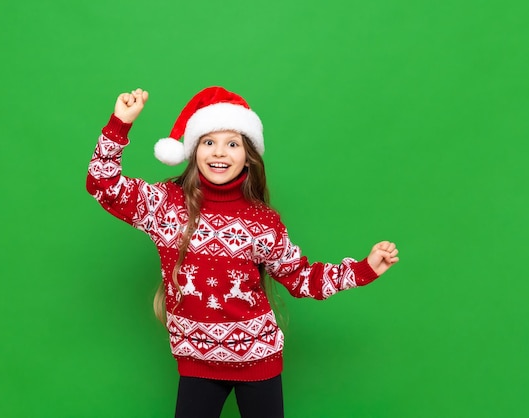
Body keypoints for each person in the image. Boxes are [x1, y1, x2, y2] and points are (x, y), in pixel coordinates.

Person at [86, 86, 399, 418]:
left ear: (248, 155)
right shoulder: (165, 206)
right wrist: (120, 124)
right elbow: (102, 185)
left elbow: (300, 277)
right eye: (209, 142)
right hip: (196, 360)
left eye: (232, 143)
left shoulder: (263, 221)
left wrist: (365, 269)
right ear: (193, 150)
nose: (219, 153)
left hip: (257, 358)